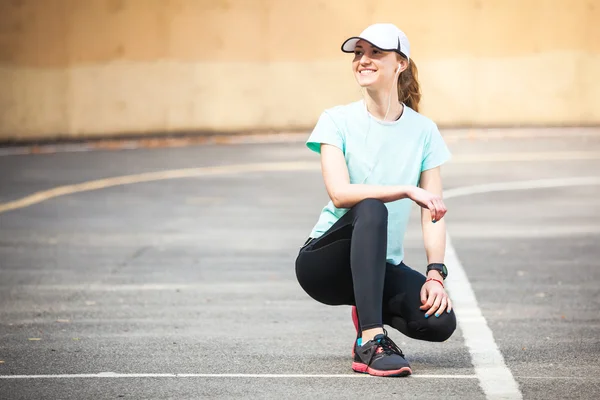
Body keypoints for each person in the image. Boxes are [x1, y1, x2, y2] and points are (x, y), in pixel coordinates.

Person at [295, 23, 457, 377]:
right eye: (358, 53)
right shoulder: (335, 120)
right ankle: (370, 339)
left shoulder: (423, 131)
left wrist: (435, 274)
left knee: (440, 321)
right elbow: (340, 193)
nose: (363, 60)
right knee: (370, 207)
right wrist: (405, 189)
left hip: (379, 267)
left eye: (375, 53)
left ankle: (365, 306)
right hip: (324, 264)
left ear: (400, 63)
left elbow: (435, 212)